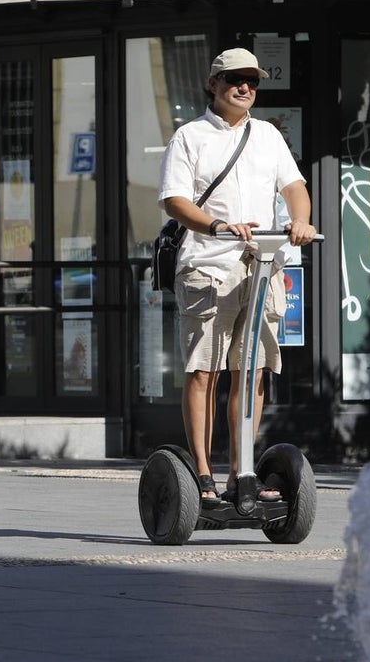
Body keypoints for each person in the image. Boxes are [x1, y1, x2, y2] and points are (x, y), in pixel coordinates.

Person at [157, 48, 317, 502]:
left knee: (253, 371)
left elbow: (294, 188)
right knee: (204, 372)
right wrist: (217, 225)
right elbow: (174, 200)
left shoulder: (267, 135)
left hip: (262, 267)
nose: (244, 87)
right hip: (208, 266)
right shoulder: (190, 137)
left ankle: (241, 473)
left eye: (252, 80)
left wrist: (300, 220)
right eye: (234, 79)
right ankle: (204, 477)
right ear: (213, 84)